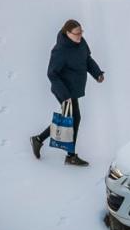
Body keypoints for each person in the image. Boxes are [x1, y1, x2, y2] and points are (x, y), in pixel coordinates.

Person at [30, 19, 105, 166]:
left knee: (70, 120)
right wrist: (66, 96)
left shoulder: (81, 43)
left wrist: (97, 73)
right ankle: (70, 155)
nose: (79, 36)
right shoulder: (60, 50)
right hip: (64, 91)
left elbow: (87, 59)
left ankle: (38, 139)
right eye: (77, 33)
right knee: (73, 118)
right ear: (67, 33)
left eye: (81, 32)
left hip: (74, 89)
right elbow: (52, 74)